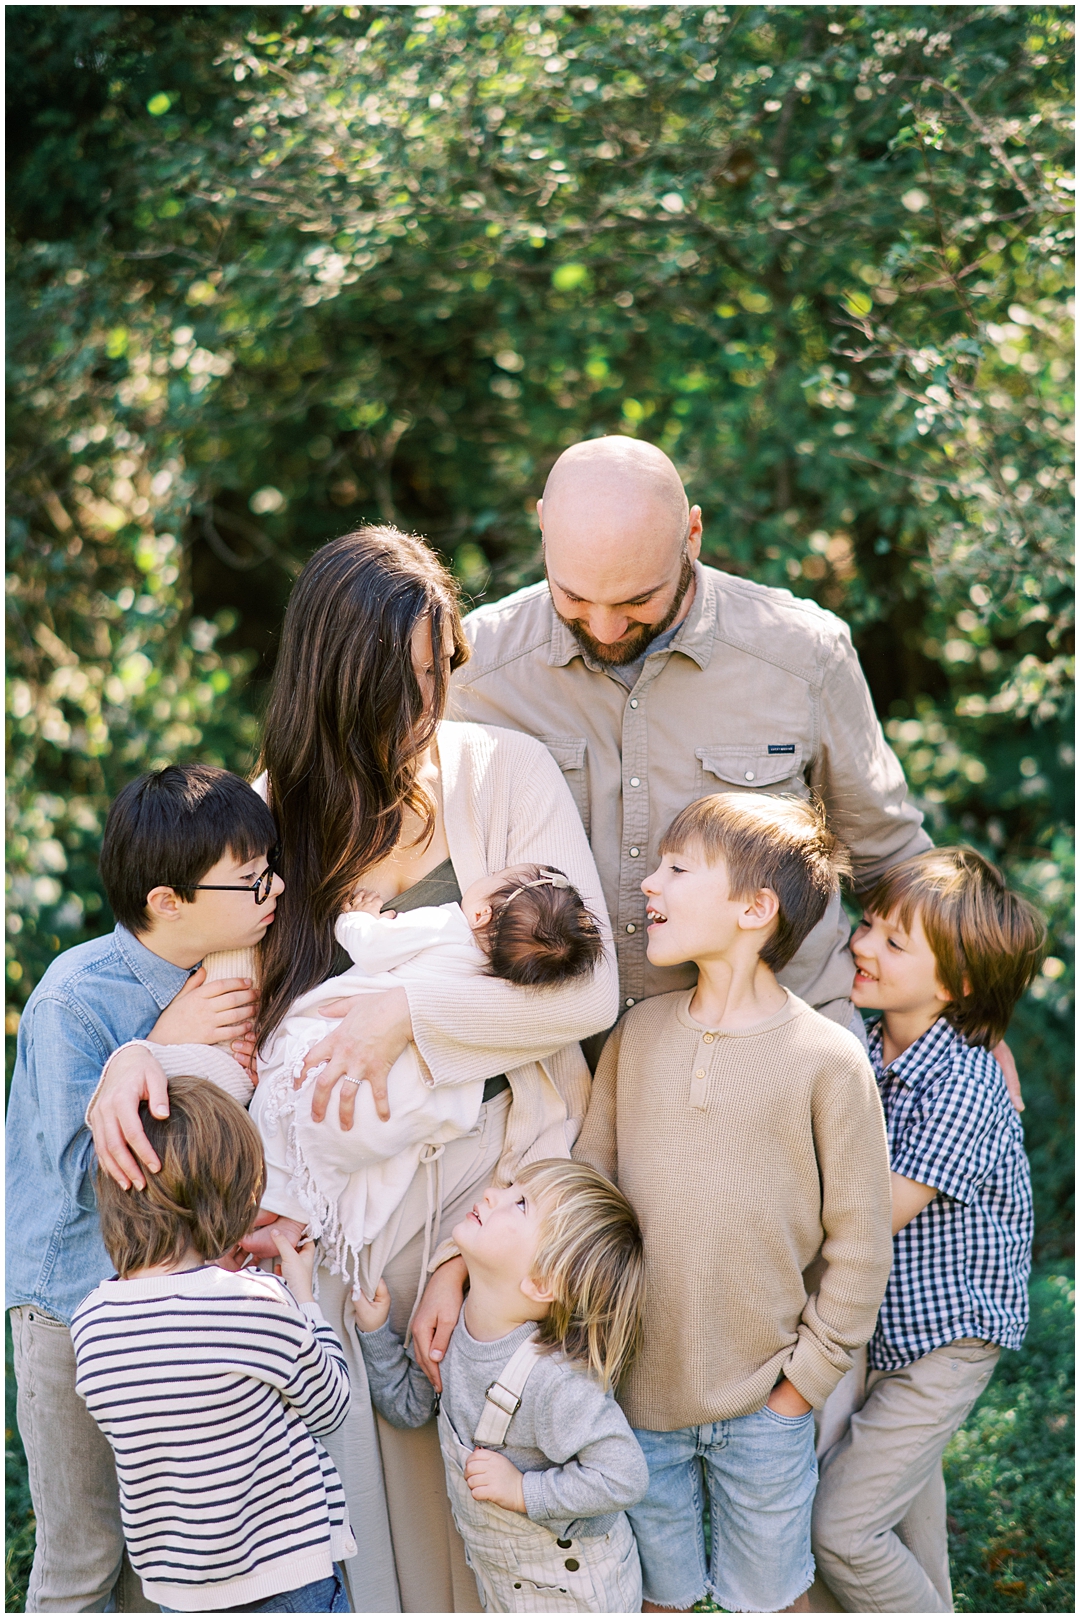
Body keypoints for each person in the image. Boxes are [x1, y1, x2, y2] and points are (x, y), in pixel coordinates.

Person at [89, 526, 619, 1614]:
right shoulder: (267, 813)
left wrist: (404, 1015)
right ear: (339, 680)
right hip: (326, 1242)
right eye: (402, 684)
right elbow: (218, 1011)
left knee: (474, 1526)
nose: (427, 708)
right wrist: (137, 1057)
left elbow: (585, 990)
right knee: (366, 1538)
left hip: (481, 1213)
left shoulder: (502, 774)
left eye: (440, 676)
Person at [449, 433, 933, 1043]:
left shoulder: (805, 655)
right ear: (542, 526)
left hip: (777, 1058)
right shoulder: (471, 668)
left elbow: (890, 860)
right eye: (573, 597)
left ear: (692, 535)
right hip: (557, 1069)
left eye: (637, 599)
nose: (604, 625)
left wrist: (963, 1021)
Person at [575, 791, 894, 1615]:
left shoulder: (827, 1059)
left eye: (678, 869)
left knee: (774, 1601)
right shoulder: (637, 1034)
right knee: (657, 1601)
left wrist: (801, 1388)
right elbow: (588, 1190)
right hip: (635, 1400)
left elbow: (860, 1249)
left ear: (756, 909)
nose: (651, 883)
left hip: (765, 1404)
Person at [6, 762, 278, 1612]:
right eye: (250, 879)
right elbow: (91, 1172)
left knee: (166, 1565)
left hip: (171, 1308)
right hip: (72, 1310)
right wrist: (162, 1046)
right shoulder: (77, 1001)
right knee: (86, 1560)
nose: (275, 889)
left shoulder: (231, 971)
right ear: (168, 900)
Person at [811, 848, 1046, 1613]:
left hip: (945, 1338)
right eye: (869, 925)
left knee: (842, 1531)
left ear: (958, 983)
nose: (863, 945)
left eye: (893, 942)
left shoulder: (968, 1083)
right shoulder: (870, 1047)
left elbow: (872, 1210)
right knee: (906, 1529)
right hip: (890, 1331)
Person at [251, 864, 603, 1295]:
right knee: (331, 1159)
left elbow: (373, 948)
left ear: (481, 916)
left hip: (359, 1059)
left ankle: (276, 1210)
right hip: (421, 1098)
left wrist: (359, 916)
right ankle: (293, 1220)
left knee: (289, 1116)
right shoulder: (496, 977)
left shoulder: (446, 923)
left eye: (499, 874)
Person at [72, 1075, 354, 1614]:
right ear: (225, 1197)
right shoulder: (256, 1301)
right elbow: (331, 1404)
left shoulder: (90, 1323)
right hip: (286, 1577)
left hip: (180, 1589)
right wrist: (304, 1297)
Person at [353, 1159, 648, 1614]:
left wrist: (521, 1491)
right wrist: (375, 1335)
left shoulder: (556, 1381)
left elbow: (623, 1477)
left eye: (520, 1202)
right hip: (504, 1585)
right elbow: (411, 1406)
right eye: (510, 1186)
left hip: (579, 1589)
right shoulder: (450, 1326)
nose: (494, 1193)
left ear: (542, 1282)